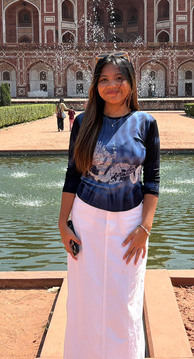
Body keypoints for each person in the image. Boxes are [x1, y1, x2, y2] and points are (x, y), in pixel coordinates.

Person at [58, 52, 160, 359]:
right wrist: (63, 223)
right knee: (85, 299)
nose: (111, 85)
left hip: (129, 223)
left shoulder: (145, 123)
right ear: (95, 85)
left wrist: (145, 227)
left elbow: (152, 181)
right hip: (86, 220)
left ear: (130, 82)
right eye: (104, 79)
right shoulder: (85, 123)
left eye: (118, 78)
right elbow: (72, 174)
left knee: (124, 301)